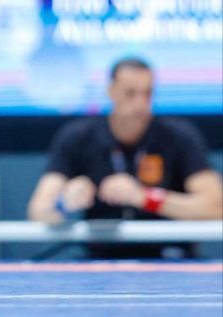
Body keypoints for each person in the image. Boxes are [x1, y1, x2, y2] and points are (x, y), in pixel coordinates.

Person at [27, 56, 223, 257]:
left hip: (170, 256)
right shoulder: (78, 137)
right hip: (100, 261)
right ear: (111, 91)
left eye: (147, 94)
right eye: (130, 93)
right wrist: (64, 203)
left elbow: (215, 207)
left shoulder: (179, 136)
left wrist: (145, 198)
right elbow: (38, 210)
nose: (140, 104)